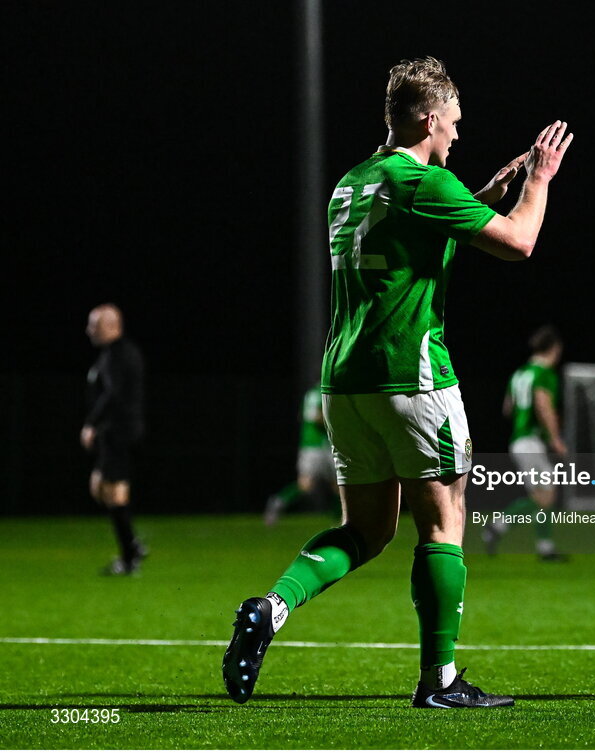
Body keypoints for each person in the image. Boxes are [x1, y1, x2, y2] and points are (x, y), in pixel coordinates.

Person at [222, 56, 572, 709]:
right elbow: (521, 243)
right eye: (454, 123)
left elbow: (409, 244)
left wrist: (479, 198)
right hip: (411, 377)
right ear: (429, 117)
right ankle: (440, 681)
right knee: (443, 524)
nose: (458, 137)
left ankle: (270, 608)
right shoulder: (423, 182)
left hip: (345, 382)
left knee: (367, 530)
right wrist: (539, 182)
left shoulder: (351, 183)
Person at [483, 324, 568, 561]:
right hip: (530, 441)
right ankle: (497, 528)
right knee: (546, 495)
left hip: (520, 440)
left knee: (543, 495)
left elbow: (508, 408)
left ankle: (545, 547)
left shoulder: (519, 373)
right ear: (554, 348)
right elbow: (543, 405)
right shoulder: (544, 373)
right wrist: (555, 438)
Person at [81, 303, 147, 575]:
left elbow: (113, 394)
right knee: (104, 489)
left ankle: (130, 554)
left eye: (94, 325)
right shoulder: (113, 354)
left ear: (110, 326)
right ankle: (131, 547)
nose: (89, 330)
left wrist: (91, 424)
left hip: (118, 432)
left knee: (111, 490)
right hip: (116, 432)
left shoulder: (119, 354)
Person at [264, 386, 336, 526]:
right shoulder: (324, 392)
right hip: (319, 445)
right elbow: (317, 417)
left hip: (311, 444)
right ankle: (340, 522)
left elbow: (302, 415)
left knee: (333, 485)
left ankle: (339, 522)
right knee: (326, 485)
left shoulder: (310, 394)